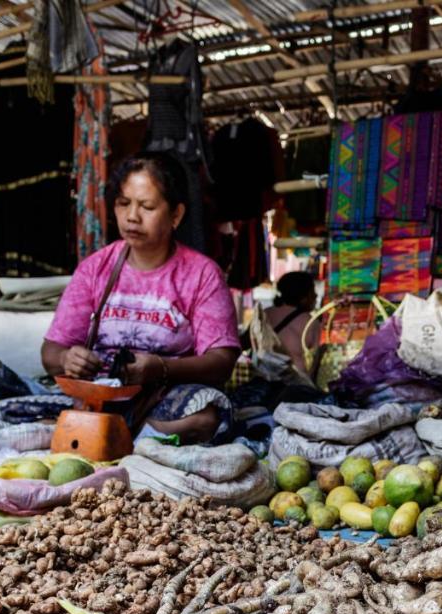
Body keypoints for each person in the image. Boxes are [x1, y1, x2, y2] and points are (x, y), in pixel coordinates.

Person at [41, 151, 241, 444]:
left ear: (176, 215)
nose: (132, 217)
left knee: (204, 418)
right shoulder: (95, 268)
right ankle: (118, 436)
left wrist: (160, 368)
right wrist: (66, 358)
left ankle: (116, 438)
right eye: (124, 204)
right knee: (12, 406)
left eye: (146, 206)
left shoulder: (201, 274)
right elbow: (50, 352)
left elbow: (222, 361)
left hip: (163, 400)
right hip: (99, 396)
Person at [263, 271, 322, 378]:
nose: (316, 295)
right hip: (296, 383)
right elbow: (315, 359)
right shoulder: (310, 322)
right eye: (312, 291)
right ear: (304, 296)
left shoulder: (265, 314)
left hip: (264, 378)